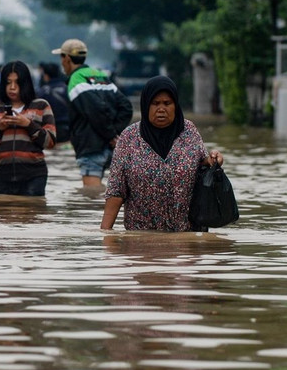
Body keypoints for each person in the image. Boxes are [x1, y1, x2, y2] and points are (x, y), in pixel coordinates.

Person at [100, 76, 224, 231]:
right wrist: (105, 234)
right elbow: (116, 191)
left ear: (175, 106)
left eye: (167, 103)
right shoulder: (129, 138)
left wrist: (212, 160)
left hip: (185, 237)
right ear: (146, 105)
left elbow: (200, 165)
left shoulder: (189, 132)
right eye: (155, 103)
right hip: (141, 239)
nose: (161, 109)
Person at [52, 38, 132, 186]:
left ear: (67, 58)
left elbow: (95, 109)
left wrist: (110, 136)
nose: (62, 62)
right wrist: (115, 134)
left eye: (61, 57)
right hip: (111, 148)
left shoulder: (75, 80)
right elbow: (126, 107)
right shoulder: (100, 75)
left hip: (91, 148)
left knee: (91, 195)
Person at [0, 61, 57, 196]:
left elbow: (50, 142)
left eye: (17, 83)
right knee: (2, 216)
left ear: (26, 83)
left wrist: (29, 125)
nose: (12, 88)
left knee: (31, 215)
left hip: (34, 176)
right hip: (3, 177)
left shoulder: (41, 106)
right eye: (8, 83)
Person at [37, 62, 70, 144]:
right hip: (67, 129)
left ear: (46, 75)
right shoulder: (67, 89)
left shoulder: (42, 92)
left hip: (49, 130)